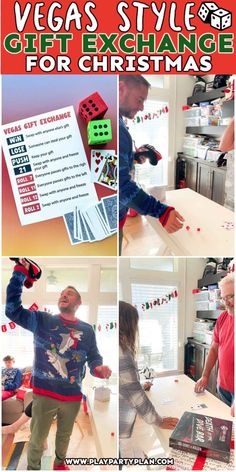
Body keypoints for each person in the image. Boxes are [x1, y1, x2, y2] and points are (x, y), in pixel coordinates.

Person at [6, 259, 112, 471]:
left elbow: (93, 356)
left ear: (78, 302)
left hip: (72, 396)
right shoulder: (42, 320)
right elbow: (12, 310)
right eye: (62, 293)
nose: (64, 295)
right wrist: (20, 273)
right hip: (44, 395)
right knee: (37, 439)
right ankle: (33, 468)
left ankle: (59, 464)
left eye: (69, 293)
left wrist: (98, 368)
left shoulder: (87, 330)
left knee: (64, 436)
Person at [119, 75, 184, 254]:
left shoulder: (116, 121)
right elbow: (120, 187)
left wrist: (131, 157)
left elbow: (108, 169)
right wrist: (161, 211)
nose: (141, 107)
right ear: (120, 88)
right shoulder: (115, 127)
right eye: (139, 100)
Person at [119, 301, 178, 450]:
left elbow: (126, 384)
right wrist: (158, 421)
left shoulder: (122, 347)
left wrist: (138, 385)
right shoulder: (122, 353)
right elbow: (134, 394)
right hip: (121, 421)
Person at [194, 272, 234, 407]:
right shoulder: (223, 317)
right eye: (223, 298)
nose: (226, 302)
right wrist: (205, 376)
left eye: (231, 296)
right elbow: (214, 349)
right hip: (223, 386)